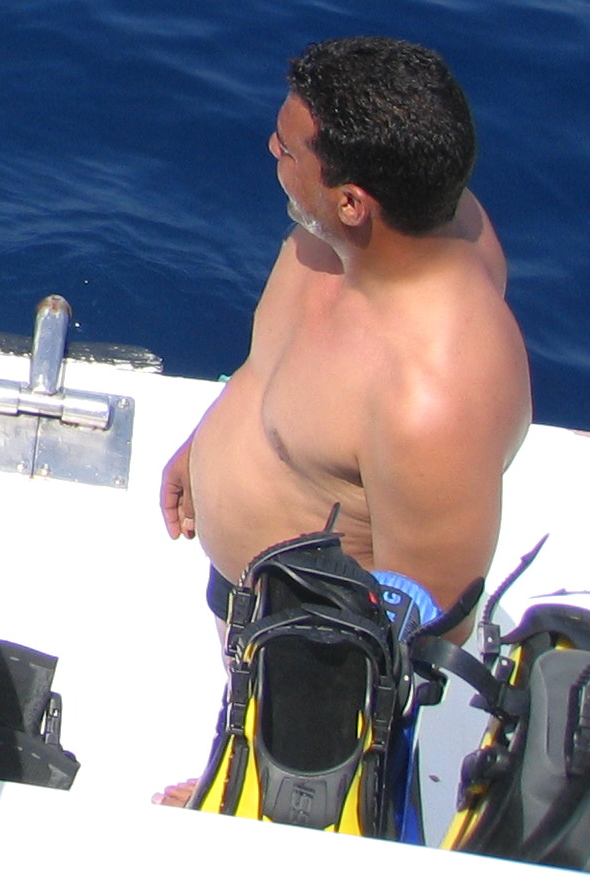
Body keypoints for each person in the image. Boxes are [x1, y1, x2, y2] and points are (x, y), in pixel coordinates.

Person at [159, 36, 529, 641]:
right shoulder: (367, 218)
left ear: (352, 202)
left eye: (287, 150)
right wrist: (209, 444)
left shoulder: (431, 403)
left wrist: (294, 681)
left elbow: (427, 631)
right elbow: (283, 367)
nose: (270, 149)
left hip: (304, 645)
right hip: (251, 580)